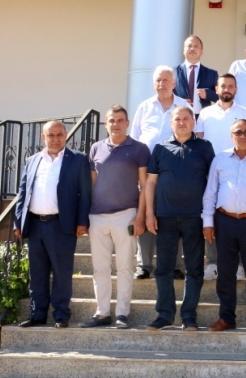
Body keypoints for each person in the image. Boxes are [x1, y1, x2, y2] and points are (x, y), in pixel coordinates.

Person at [144, 107, 216, 332]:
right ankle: (165, 315)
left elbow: (213, 182)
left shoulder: (205, 147)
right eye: (178, 118)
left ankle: (189, 316)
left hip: (195, 216)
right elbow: (151, 182)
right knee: (163, 269)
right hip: (164, 216)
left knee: (194, 269)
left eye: (186, 118)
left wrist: (209, 217)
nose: (182, 122)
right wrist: (149, 213)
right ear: (171, 122)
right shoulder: (160, 148)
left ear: (194, 122)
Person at [202, 119, 246, 334]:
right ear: (231, 135)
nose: (242, 136)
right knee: (225, 273)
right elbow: (210, 193)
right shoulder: (220, 159)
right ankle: (226, 318)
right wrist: (208, 222)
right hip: (224, 221)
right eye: (238, 132)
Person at [15, 121, 91, 328]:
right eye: (51, 135)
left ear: (66, 135)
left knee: (61, 272)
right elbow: (23, 193)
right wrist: (18, 221)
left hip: (61, 225)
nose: (55, 139)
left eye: (59, 135)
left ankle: (61, 314)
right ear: (43, 137)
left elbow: (85, 193)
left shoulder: (78, 160)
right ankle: (37, 314)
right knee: (37, 272)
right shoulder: (33, 160)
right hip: (35, 224)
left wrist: (82, 221)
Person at [80, 106, 149, 330]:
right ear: (105, 124)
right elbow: (91, 184)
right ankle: (102, 313)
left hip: (126, 214)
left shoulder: (139, 149)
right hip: (97, 216)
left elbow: (145, 185)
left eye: (120, 120)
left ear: (127, 123)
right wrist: (86, 215)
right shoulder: (96, 148)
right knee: (100, 267)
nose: (116, 124)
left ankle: (122, 313)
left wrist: (140, 217)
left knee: (125, 267)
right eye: (111, 120)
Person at [130, 66, 190, 280]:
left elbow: (194, 134)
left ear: (174, 83)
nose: (161, 83)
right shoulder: (144, 107)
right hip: (147, 171)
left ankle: (176, 265)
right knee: (146, 211)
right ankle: (144, 265)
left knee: (175, 217)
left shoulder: (184, 106)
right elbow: (135, 138)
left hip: (176, 171)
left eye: (165, 80)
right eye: (158, 80)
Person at [194, 74, 246, 281]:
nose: (227, 89)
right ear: (216, 89)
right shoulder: (205, 113)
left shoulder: (245, 113)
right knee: (210, 214)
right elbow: (199, 142)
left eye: (231, 86)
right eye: (223, 86)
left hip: (238, 170)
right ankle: (212, 263)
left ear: (236, 89)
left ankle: (238, 265)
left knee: (236, 216)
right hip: (210, 171)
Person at [173, 35, 219, 115]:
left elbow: (220, 96)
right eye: (189, 46)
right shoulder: (173, 72)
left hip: (203, 117)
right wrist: (178, 101)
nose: (192, 49)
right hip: (180, 117)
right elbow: (166, 94)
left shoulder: (212, 74)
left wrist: (208, 94)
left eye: (196, 46)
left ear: (201, 51)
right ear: (183, 50)